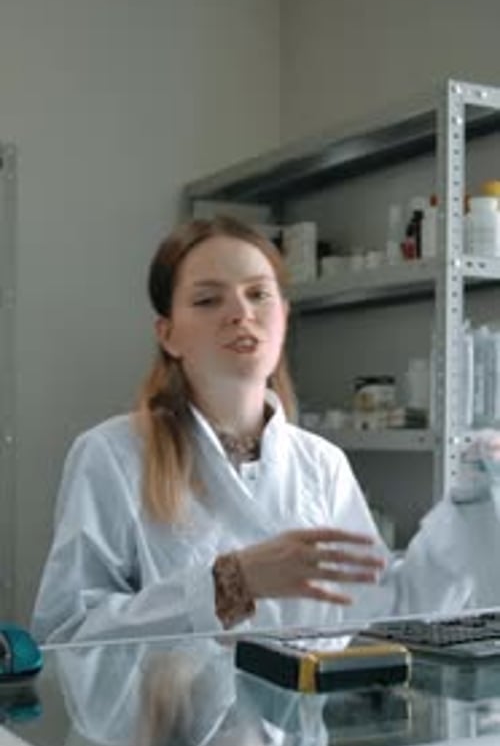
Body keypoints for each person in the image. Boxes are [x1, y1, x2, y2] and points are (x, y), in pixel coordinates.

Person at [30, 216, 485, 645]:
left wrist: (473, 509)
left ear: (284, 318)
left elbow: (380, 607)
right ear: (168, 335)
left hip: (296, 727)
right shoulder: (114, 454)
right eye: (208, 300)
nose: (240, 313)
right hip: (163, 729)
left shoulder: (321, 463)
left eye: (258, 295)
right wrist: (231, 583)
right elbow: (69, 634)